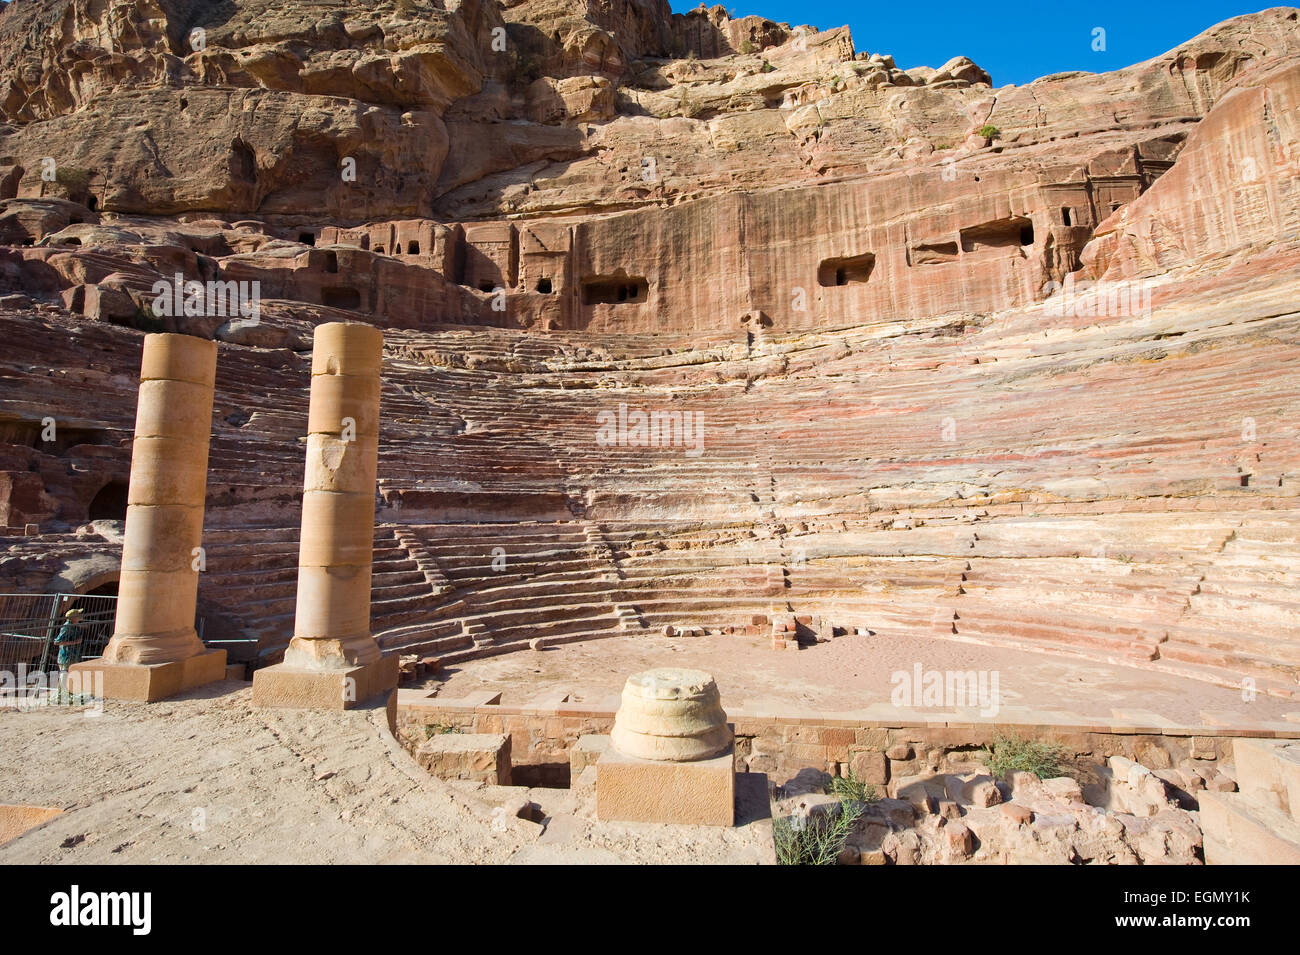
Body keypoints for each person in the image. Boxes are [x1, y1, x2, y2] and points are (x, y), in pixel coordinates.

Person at [53, 607, 85, 702]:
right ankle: (61, 694)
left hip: (74, 655)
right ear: (74, 617)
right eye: (78, 615)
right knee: (64, 673)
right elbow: (57, 642)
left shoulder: (76, 626)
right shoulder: (66, 627)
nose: (80, 616)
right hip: (66, 655)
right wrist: (74, 642)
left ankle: (68, 693)